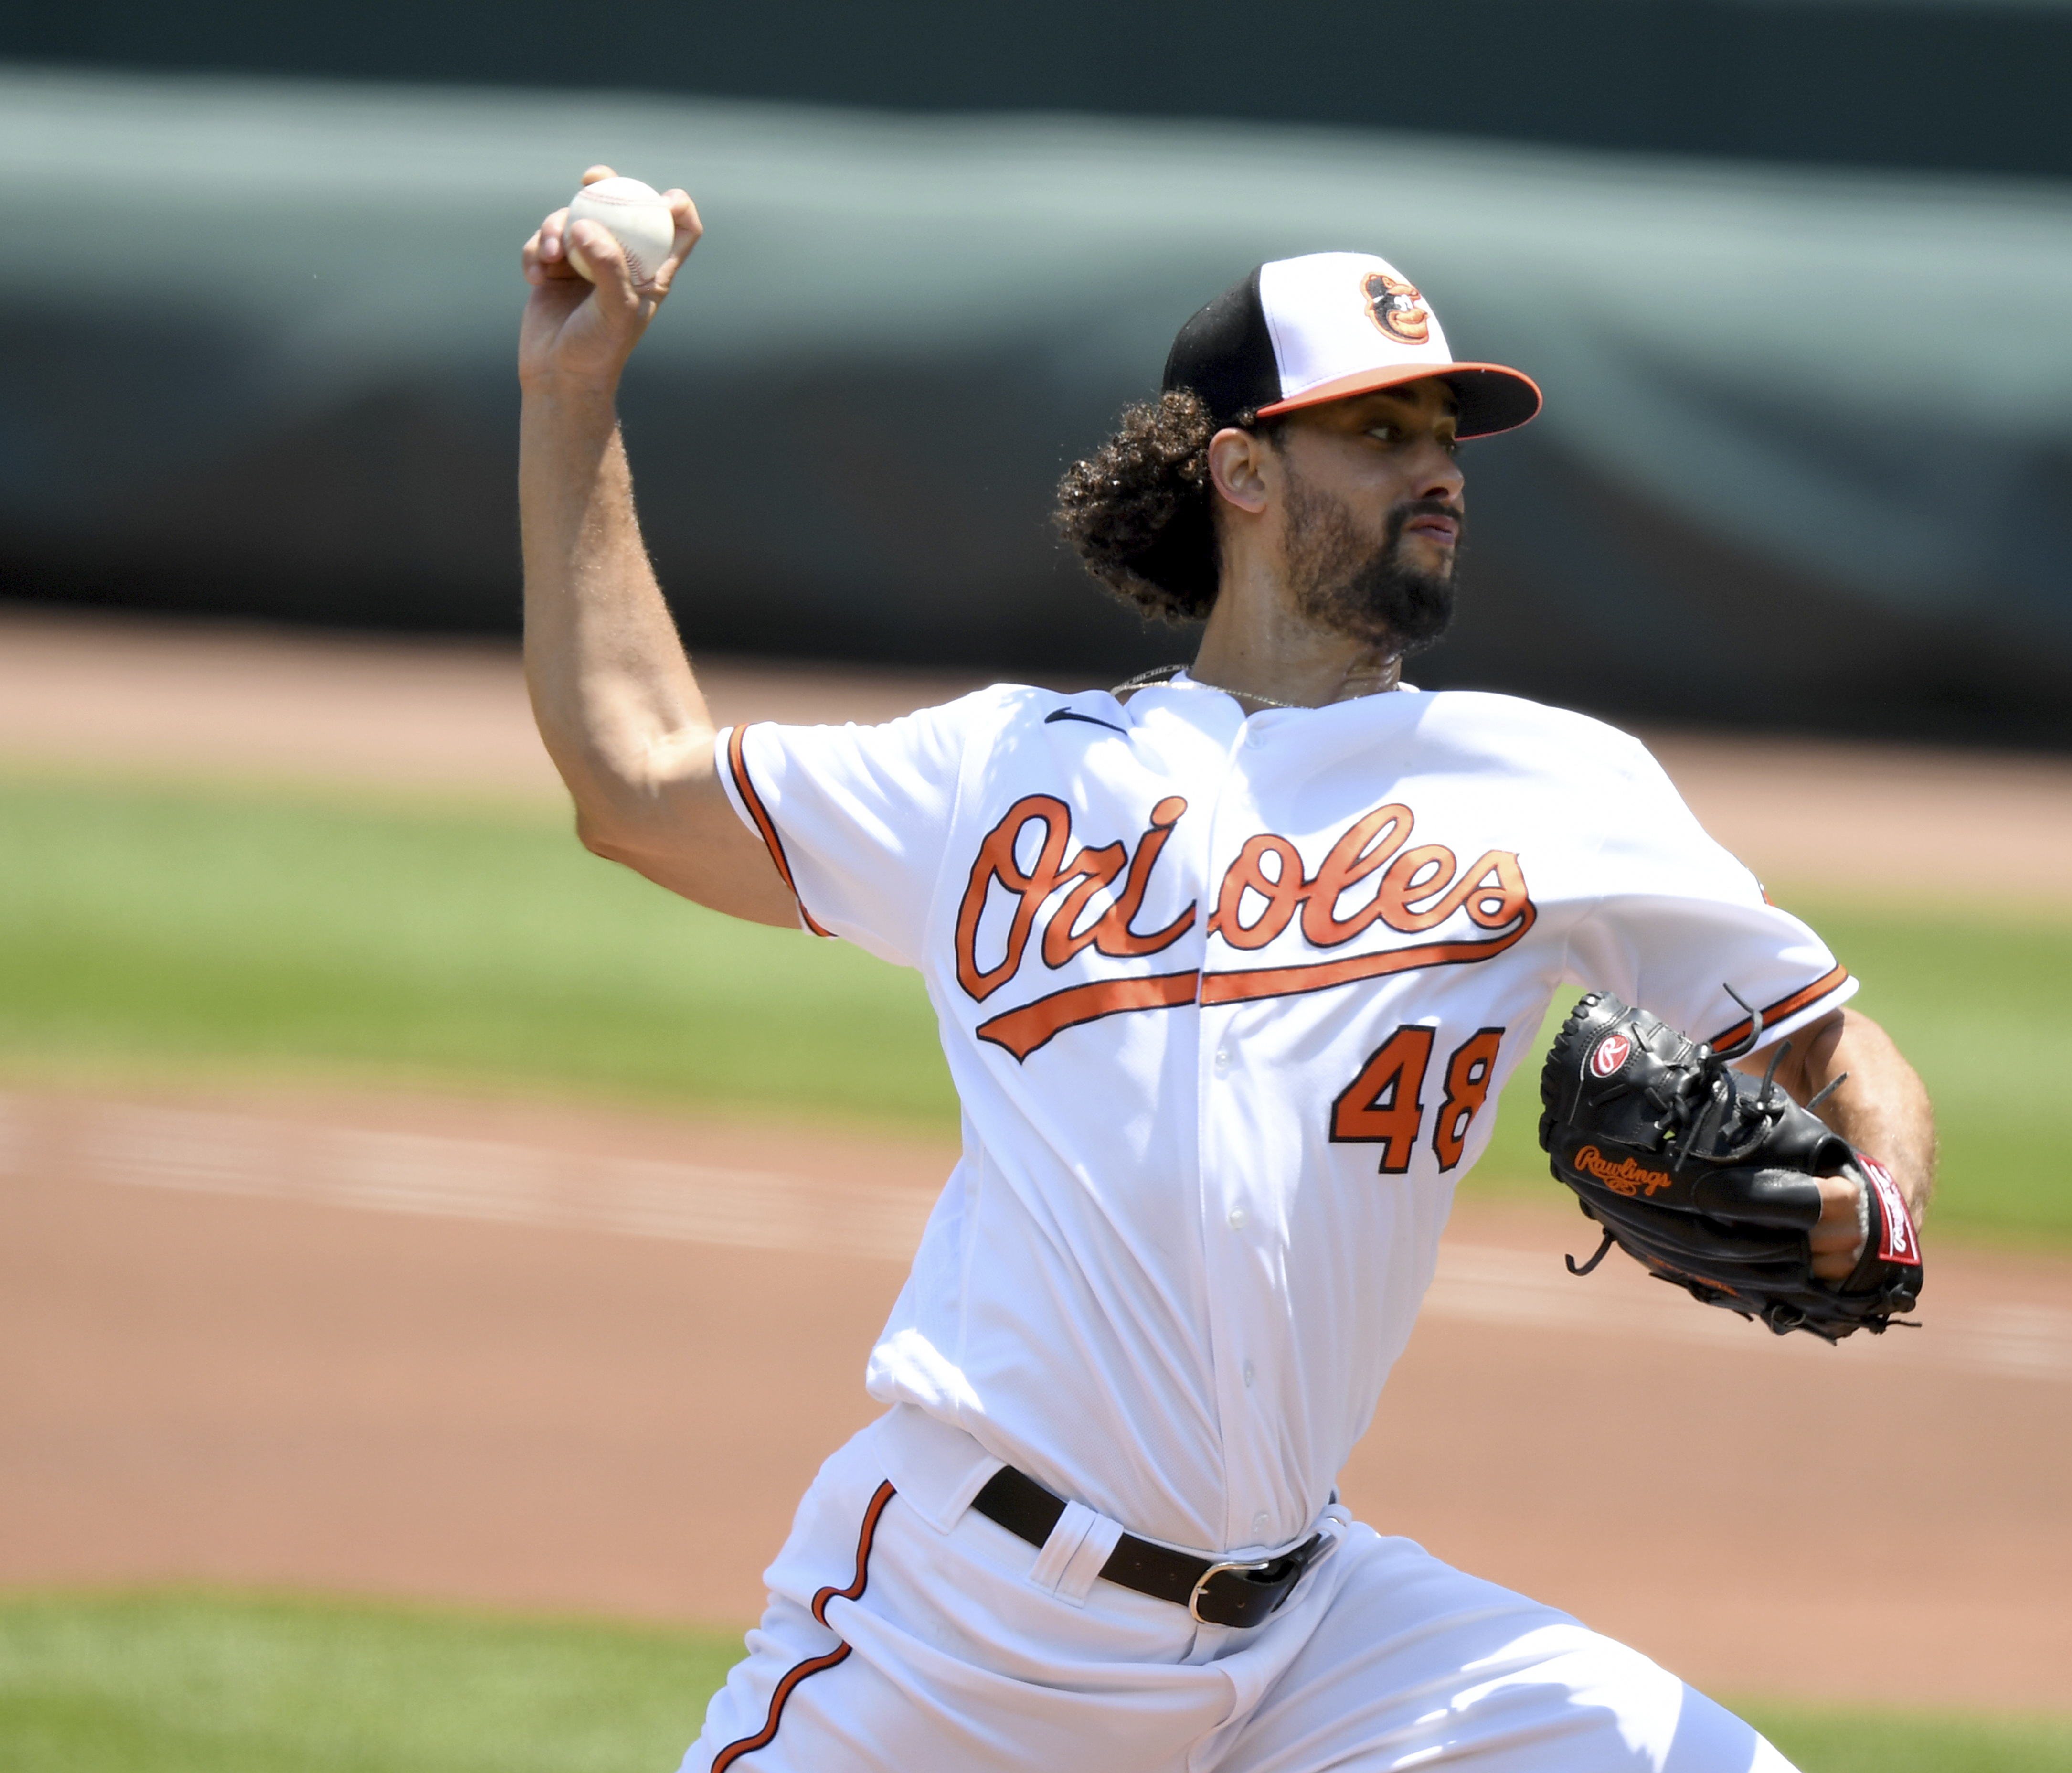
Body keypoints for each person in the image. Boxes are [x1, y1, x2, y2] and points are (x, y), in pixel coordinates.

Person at [519, 167, 1935, 1773]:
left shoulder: (1554, 784)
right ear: (1244, 470)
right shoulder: (1008, 774)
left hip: (1317, 1640)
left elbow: (1832, 1047)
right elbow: (633, 781)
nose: (1439, 471)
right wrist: (573, 392)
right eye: (1382, 431)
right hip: (965, 1631)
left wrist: (1882, 1200)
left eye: (1446, 435)